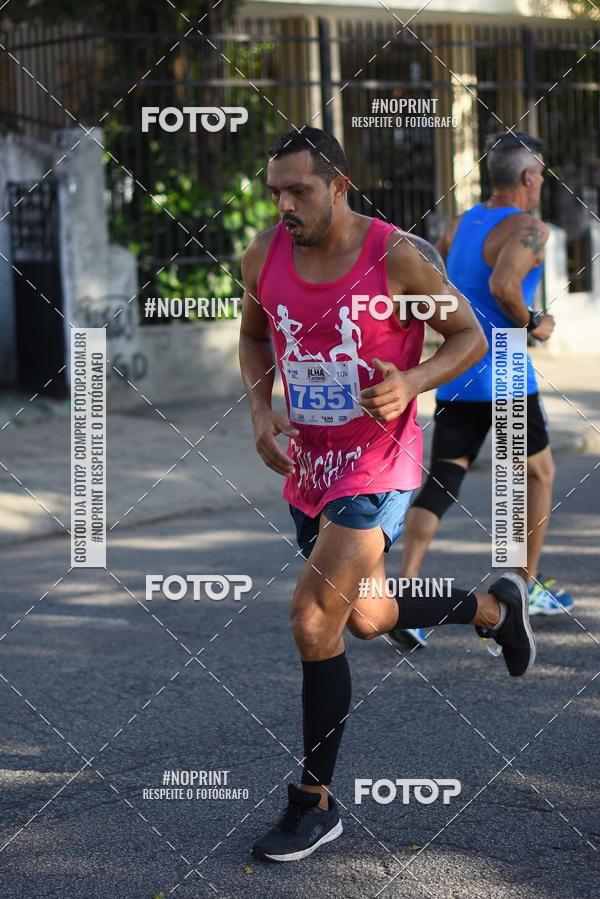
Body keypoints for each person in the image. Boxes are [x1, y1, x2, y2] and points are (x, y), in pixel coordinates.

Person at [238, 126, 536, 864]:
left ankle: (314, 804)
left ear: (339, 185)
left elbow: (469, 335)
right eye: (275, 190)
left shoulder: (397, 256)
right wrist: (260, 408)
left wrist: (412, 381)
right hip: (309, 466)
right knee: (365, 616)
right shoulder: (263, 253)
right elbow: (253, 336)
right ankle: (496, 606)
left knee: (313, 621)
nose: (284, 205)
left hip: (378, 463)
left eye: (299, 190)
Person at [396, 131, 573, 649]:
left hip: (458, 372)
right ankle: (520, 589)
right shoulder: (530, 229)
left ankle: (405, 598)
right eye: (541, 174)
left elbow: (443, 292)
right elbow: (503, 288)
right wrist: (535, 322)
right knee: (535, 475)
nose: (541, 182)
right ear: (528, 178)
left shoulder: (459, 225)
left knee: (444, 481)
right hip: (508, 379)